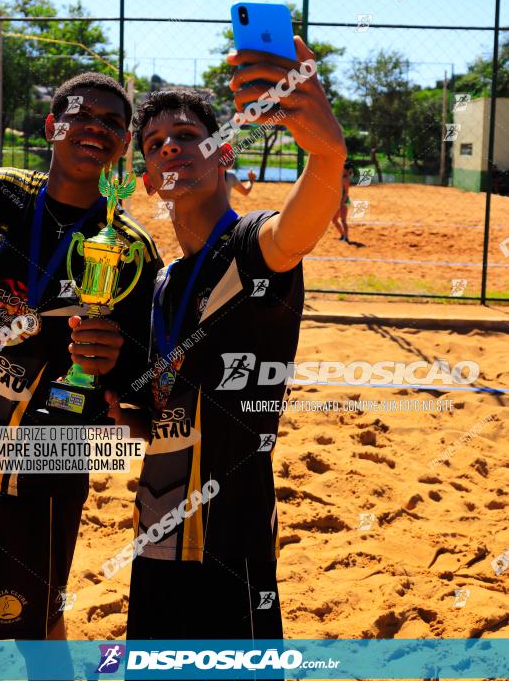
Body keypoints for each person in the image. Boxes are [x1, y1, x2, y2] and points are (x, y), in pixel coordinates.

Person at [106, 35, 346, 641]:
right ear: (145, 177)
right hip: (158, 524)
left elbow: (295, 232)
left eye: (186, 136)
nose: (170, 149)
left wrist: (327, 158)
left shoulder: (251, 246)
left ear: (223, 153)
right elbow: (173, 401)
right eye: (155, 144)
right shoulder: (161, 283)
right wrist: (144, 423)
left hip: (230, 536)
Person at [0, 72, 160, 653]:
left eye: (112, 123)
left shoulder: (129, 248)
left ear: (124, 145)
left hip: (45, 469)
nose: (95, 127)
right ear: (53, 126)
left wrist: (115, 359)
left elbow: (145, 381)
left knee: (35, 628)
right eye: (81, 114)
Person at [331, 161, 354, 242]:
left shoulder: (345, 179)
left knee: (343, 220)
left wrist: (342, 203)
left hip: (343, 200)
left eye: (342, 168)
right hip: (338, 200)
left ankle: (346, 237)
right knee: (334, 220)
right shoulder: (341, 176)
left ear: (345, 170)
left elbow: (346, 192)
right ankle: (342, 235)